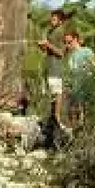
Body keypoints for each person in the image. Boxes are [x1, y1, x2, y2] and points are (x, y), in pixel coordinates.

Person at [37, 8, 75, 141]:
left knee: (57, 95)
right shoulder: (50, 31)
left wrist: (47, 44)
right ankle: (53, 121)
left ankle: (58, 120)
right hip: (48, 68)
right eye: (51, 18)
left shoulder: (61, 32)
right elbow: (49, 51)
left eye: (54, 19)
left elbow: (61, 53)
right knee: (52, 96)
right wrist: (42, 46)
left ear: (60, 21)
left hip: (56, 69)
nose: (51, 21)